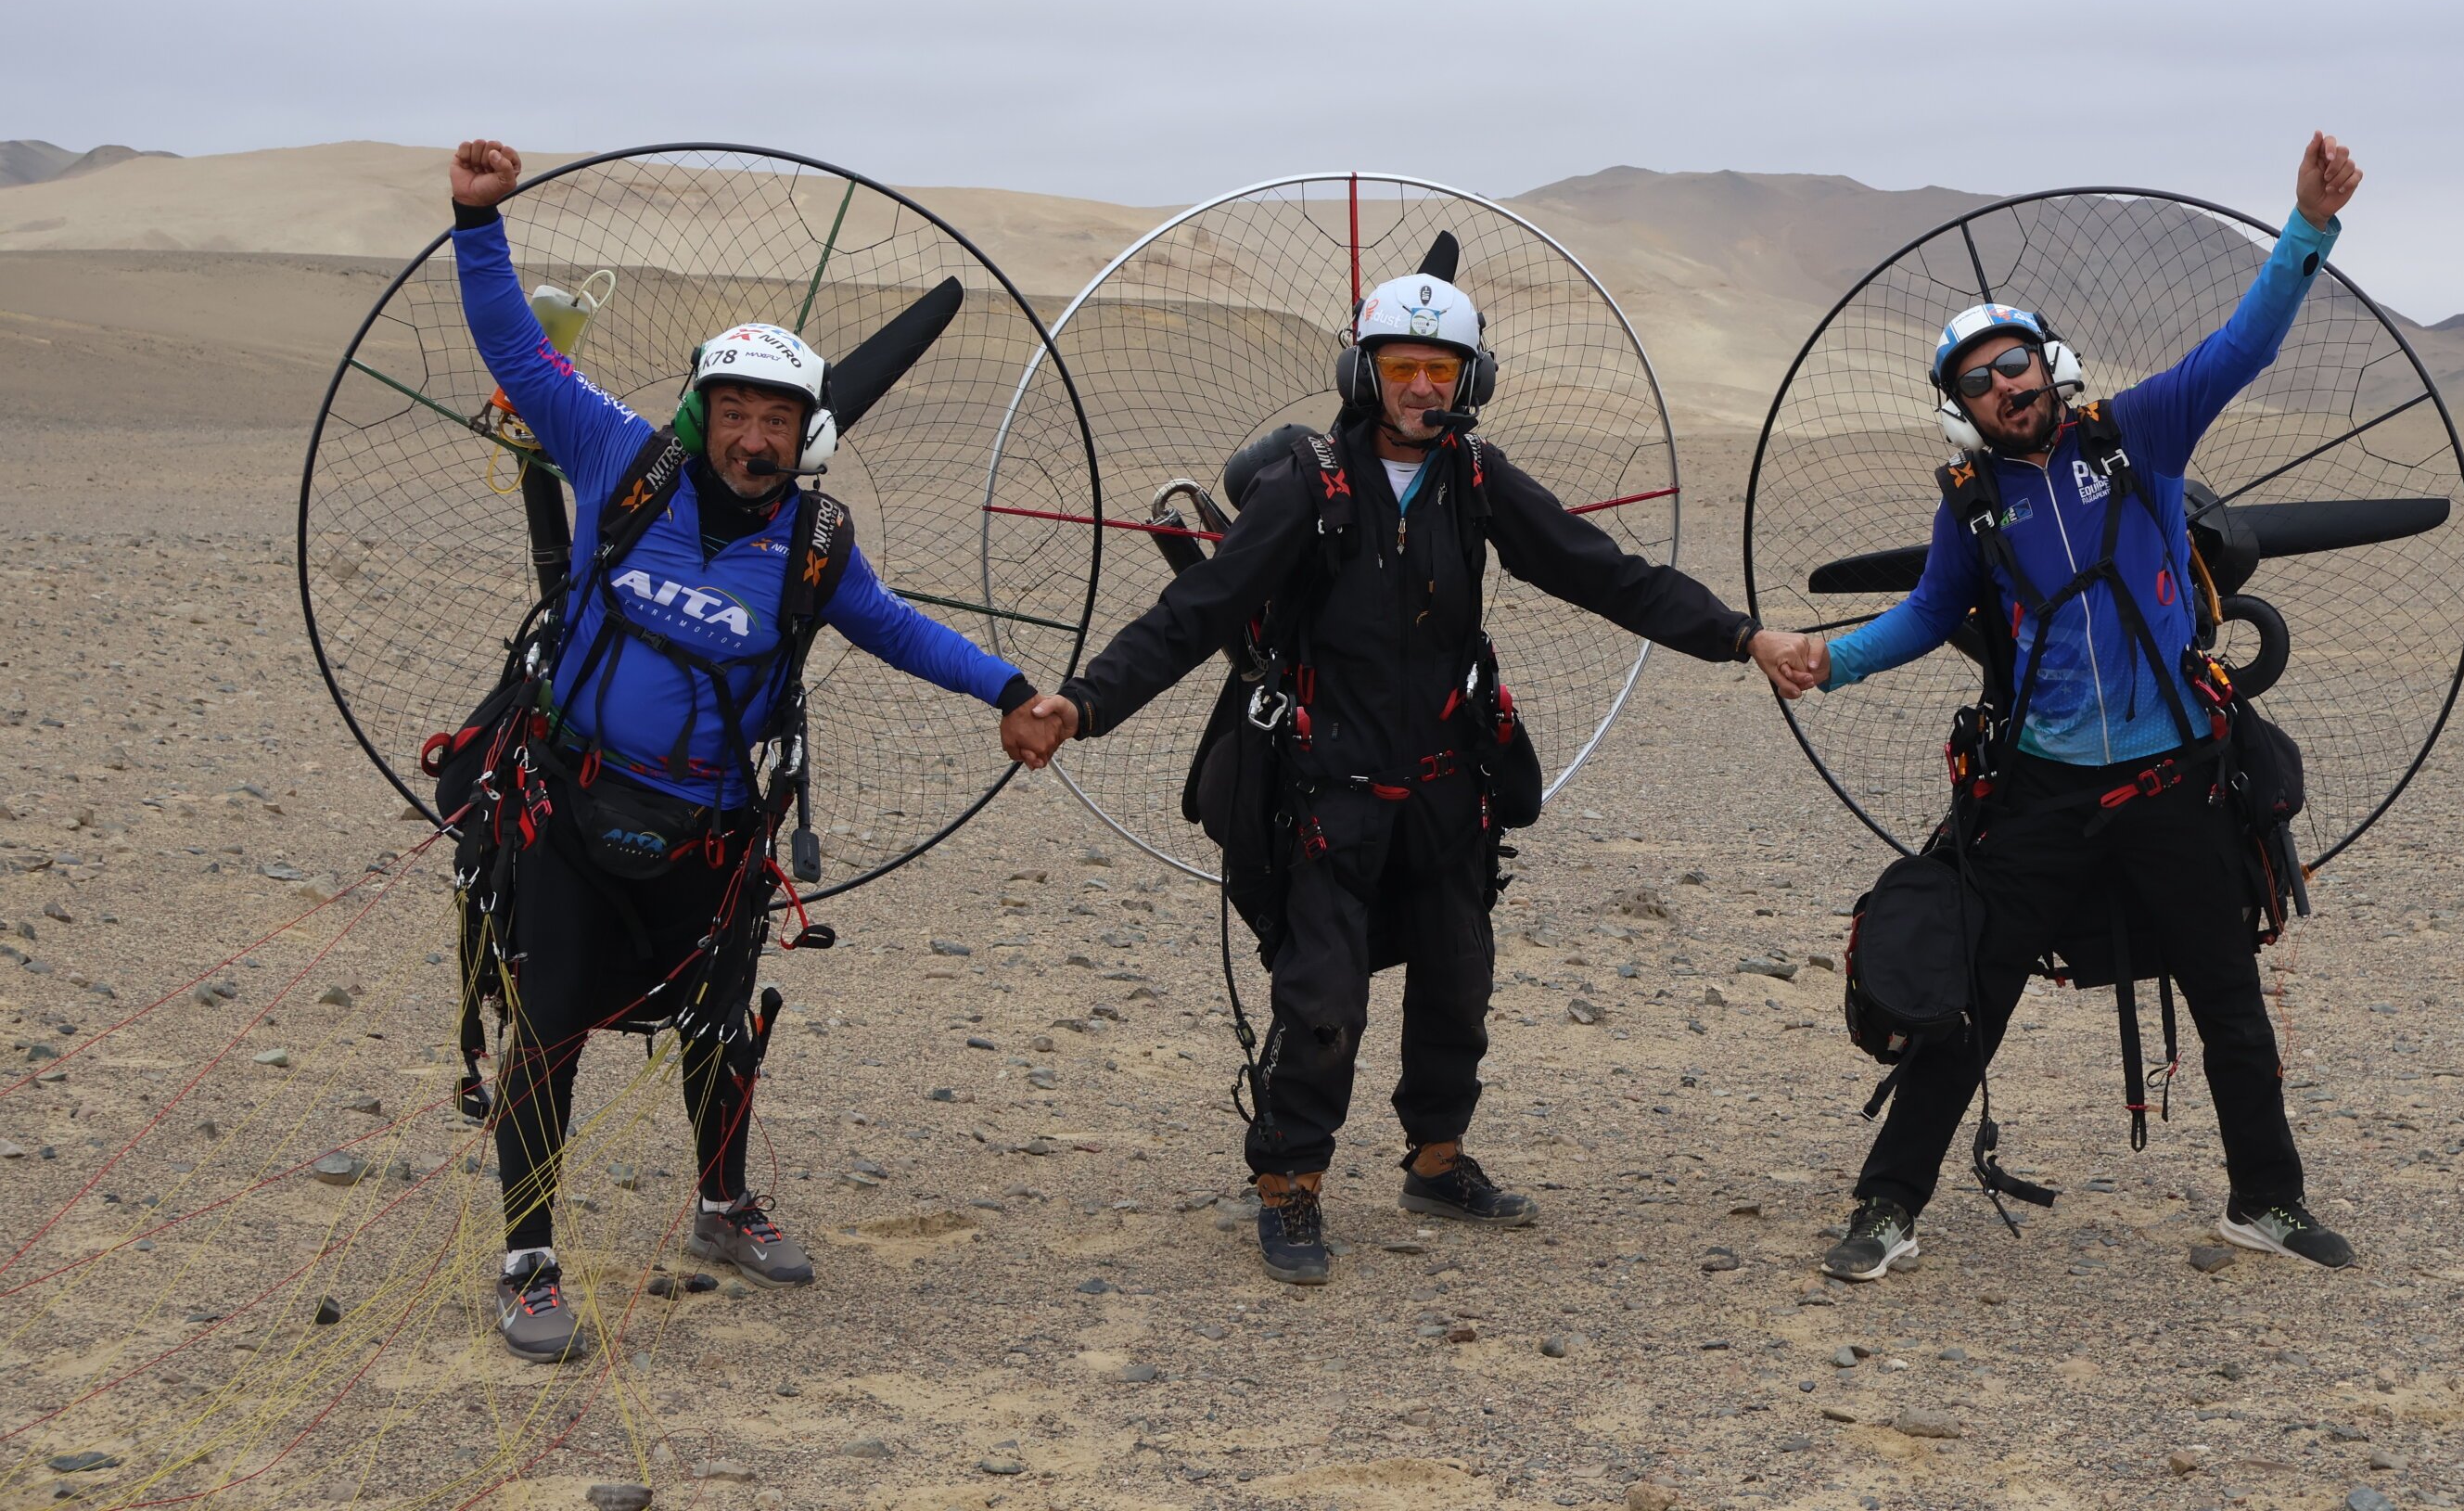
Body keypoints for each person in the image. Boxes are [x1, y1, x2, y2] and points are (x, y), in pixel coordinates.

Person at [1015, 259, 1804, 1284]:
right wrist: (1083, 702)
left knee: (1457, 983)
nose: (1423, 387)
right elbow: (1194, 613)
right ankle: (1289, 1184)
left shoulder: (1477, 481)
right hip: (1323, 789)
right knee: (1324, 1000)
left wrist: (1741, 637)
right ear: (1363, 371)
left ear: (1469, 380)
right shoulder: (1307, 485)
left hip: (1445, 784)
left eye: (1443, 367)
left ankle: (1436, 1161)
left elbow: (1603, 572)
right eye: (1403, 366)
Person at [445, 140, 1069, 1360]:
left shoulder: (817, 546)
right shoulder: (621, 463)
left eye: (774, 416)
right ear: (700, 409)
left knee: (722, 1023)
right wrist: (478, 222)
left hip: (718, 836)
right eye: (733, 410)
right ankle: (528, 1259)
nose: (751, 435)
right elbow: (519, 351)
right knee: (552, 1027)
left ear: (807, 430)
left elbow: (894, 630)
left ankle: (723, 1206)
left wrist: (1010, 685)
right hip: (568, 813)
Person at [1765, 133, 2365, 1282]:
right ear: (1961, 409)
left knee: (2228, 995)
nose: (2008, 385)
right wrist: (1826, 660)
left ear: (2055, 364)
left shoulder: (2140, 434)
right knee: (1967, 996)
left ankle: (2268, 1203)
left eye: (2018, 363)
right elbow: (1929, 617)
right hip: (2039, 791)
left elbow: (2245, 345)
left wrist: (2307, 227)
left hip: (2177, 777)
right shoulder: (1969, 511)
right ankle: (1887, 1206)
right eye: (1981, 379)